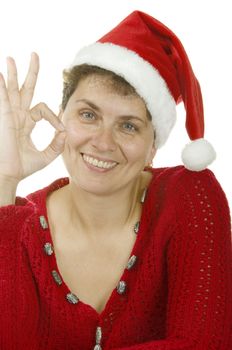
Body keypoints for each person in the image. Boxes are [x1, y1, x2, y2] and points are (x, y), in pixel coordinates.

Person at [0, 10, 231, 350]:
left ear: (153, 146)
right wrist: (5, 183)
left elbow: (205, 343)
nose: (103, 142)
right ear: (61, 118)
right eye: (88, 114)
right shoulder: (19, 223)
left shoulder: (190, 195)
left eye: (128, 125)